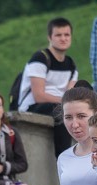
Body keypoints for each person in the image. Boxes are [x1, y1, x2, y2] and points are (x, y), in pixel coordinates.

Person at [19, 17, 80, 156]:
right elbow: (39, 96)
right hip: (32, 106)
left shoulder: (71, 65)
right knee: (62, 111)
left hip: (58, 104)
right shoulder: (40, 58)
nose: (63, 38)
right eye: (58, 35)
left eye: (66, 35)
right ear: (49, 37)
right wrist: (66, 102)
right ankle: (63, 158)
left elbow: (70, 93)